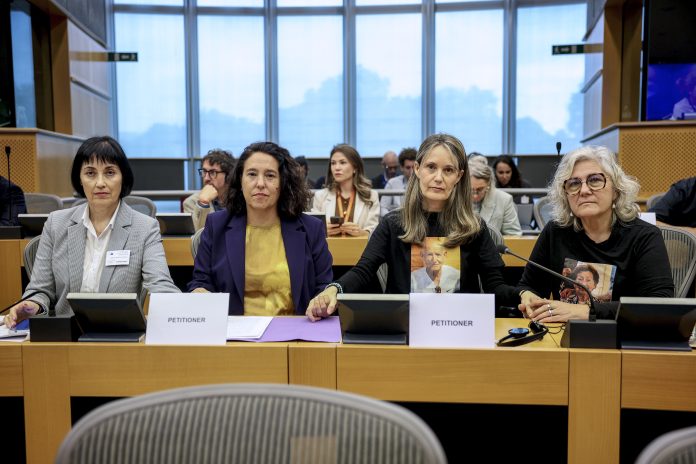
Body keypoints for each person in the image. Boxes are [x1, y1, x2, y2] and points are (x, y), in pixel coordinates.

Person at [306, 133, 518, 321]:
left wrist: (522, 295)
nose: (438, 178)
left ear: (459, 176)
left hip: (461, 330)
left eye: (448, 170)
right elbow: (363, 271)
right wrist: (333, 289)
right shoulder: (393, 224)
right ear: (417, 169)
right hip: (405, 331)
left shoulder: (475, 227)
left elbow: (496, 286)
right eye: (431, 167)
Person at [3, 136, 180, 328]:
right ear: (80, 179)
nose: (100, 183)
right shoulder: (56, 223)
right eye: (90, 173)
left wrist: (186, 313)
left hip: (120, 336)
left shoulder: (145, 227)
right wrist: (32, 305)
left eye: (110, 172)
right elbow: (40, 289)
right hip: (67, 337)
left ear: (123, 177)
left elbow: (161, 285)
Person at [517, 145, 674, 323]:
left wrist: (586, 312)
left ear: (616, 190)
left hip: (623, 336)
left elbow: (659, 304)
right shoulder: (555, 231)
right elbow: (529, 285)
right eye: (574, 184)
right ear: (565, 195)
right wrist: (527, 295)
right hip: (562, 335)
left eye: (595, 180)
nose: (584, 191)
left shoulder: (644, 236)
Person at [187, 141, 333, 316]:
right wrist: (199, 291)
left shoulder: (311, 229)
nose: (260, 183)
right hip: (235, 330)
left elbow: (324, 285)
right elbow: (200, 281)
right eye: (252, 174)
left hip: (293, 329)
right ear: (240, 181)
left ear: (283, 182)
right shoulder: (216, 225)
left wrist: (322, 301)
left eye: (270, 175)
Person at [311, 144, 379, 237]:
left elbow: (374, 232)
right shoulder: (320, 196)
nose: (337, 168)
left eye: (342, 163)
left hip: (359, 246)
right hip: (329, 246)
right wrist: (323, 231)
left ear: (355, 167)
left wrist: (362, 233)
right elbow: (312, 231)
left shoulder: (371, 196)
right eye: (333, 163)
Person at [183, 149, 235, 230]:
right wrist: (203, 204)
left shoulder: (243, 199)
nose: (206, 178)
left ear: (228, 175)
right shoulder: (191, 202)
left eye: (212, 172)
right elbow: (197, 235)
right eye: (204, 172)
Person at [468, 158, 522, 236]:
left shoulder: (504, 200)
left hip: (494, 243)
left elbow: (514, 235)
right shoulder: (454, 198)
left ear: (489, 184)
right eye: (471, 189)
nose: (475, 195)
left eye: (480, 189)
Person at [380, 147, 416, 216]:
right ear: (401, 168)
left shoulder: (425, 183)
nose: (412, 171)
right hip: (396, 220)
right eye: (408, 168)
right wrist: (391, 219)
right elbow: (383, 208)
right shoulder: (392, 183)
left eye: (414, 167)